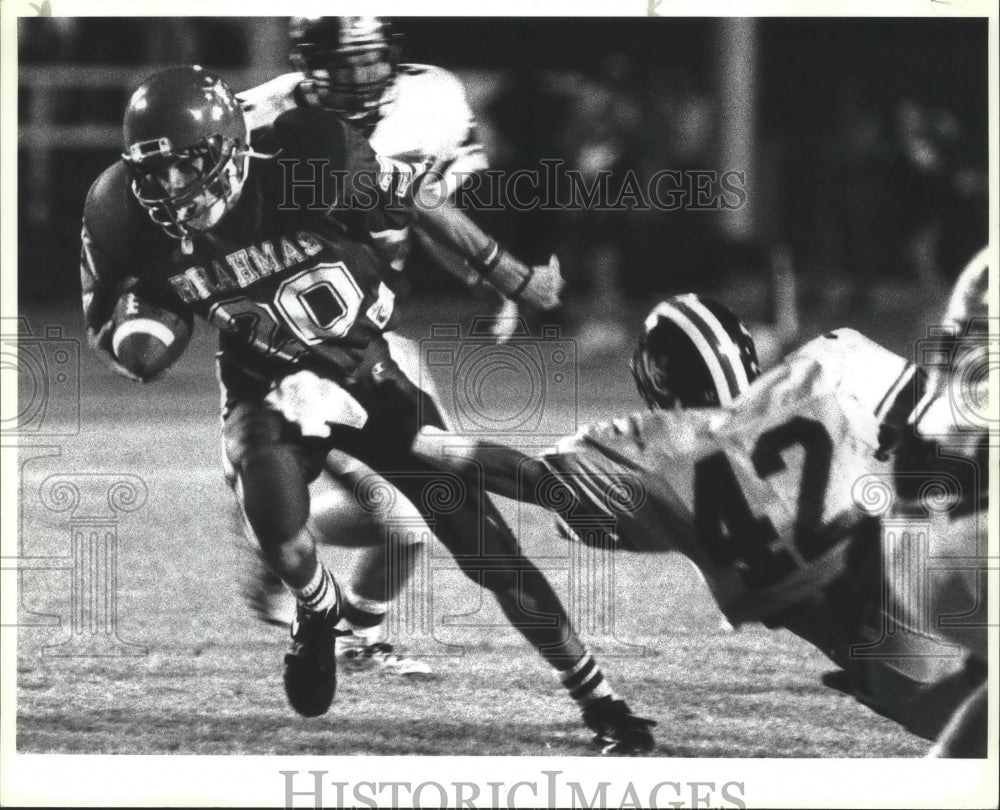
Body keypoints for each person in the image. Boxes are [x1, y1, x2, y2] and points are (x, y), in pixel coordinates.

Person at [79, 65, 655, 754]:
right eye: (157, 170)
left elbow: (416, 200)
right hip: (266, 384)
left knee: (482, 541)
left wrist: (510, 275)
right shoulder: (125, 214)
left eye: (188, 164)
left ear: (230, 149)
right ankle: (319, 612)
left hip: (365, 371)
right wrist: (136, 340)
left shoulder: (305, 163)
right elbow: (114, 329)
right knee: (273, 512)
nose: (172, 186)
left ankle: (597, 696)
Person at [412, 292, 987, 753]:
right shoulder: (831, 364)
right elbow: (947, 430)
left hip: (882, 655)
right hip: (935, 579)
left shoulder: (660, 453)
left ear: (660, 377)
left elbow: (526, 476)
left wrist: (412, 436)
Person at [237, 17, 553, 670]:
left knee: (413, 517)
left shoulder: (431, 100)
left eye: (368, 59)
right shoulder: (261, 120)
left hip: (377, 335)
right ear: (307, 64)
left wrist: (485, 279)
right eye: (340, 62)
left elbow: (427, 208)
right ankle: (327, 598)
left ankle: (299, 565)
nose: (357, 76)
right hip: (295, 346)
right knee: (413, 512)